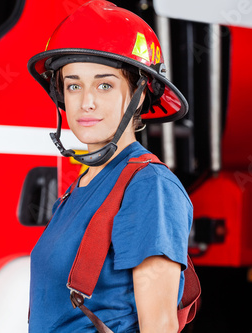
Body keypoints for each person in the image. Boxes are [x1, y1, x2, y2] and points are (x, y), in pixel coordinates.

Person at [27, 1, 193, 332]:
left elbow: (158, 325)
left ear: (140, 94)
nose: (86, 101)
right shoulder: (80, 187)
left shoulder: (148, 186)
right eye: (74, 85)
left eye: (105, 84)